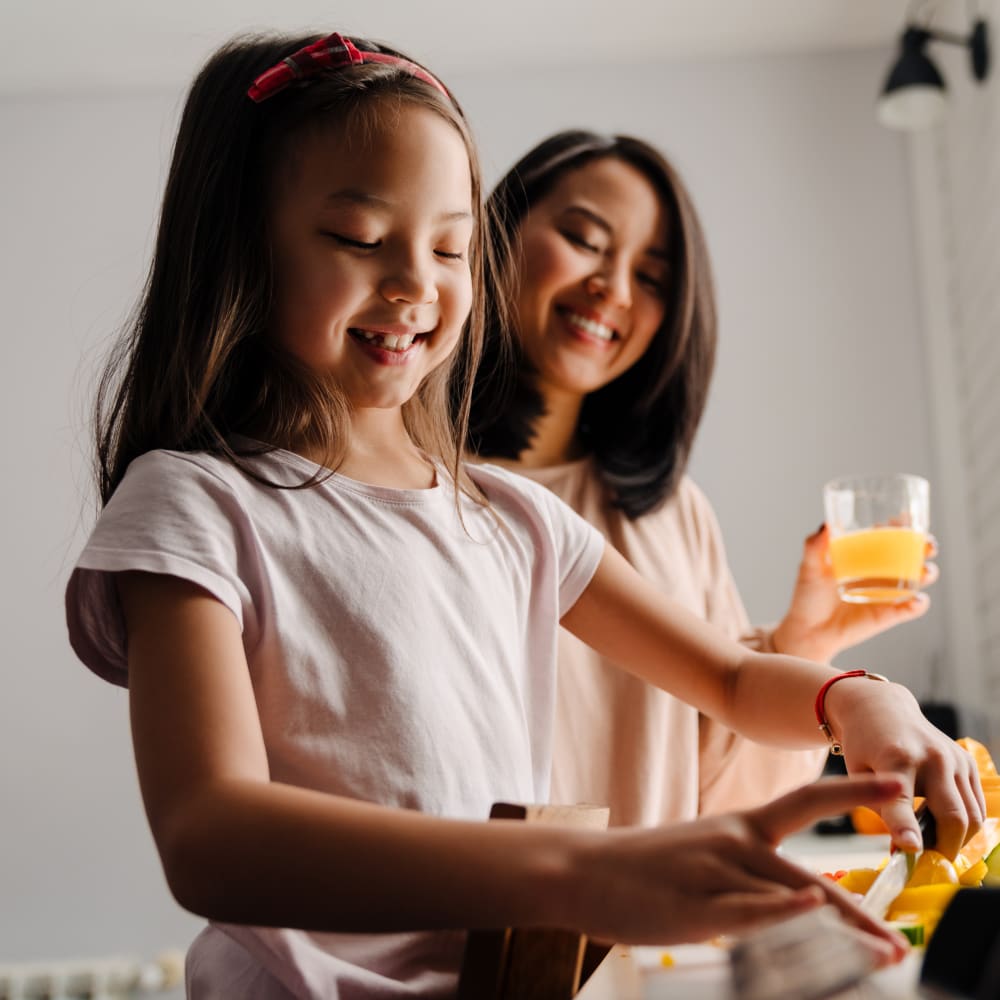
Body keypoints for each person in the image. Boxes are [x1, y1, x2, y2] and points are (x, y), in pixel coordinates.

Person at [64, 33, 979, 1000]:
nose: (419, 283)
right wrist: (581, 874)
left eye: (451, 247)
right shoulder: (193, 504)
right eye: (362, 240)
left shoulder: (511, 518)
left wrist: (858, 698)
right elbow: (211, 840)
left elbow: (730, 675)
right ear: (242, 245)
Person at [467, 130, 942, 827]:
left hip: (640, 930)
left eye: (651, 277)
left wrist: (803, 644)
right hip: (460, 925)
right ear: (494, 234)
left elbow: (724, 800)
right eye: (586, 240)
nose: (613, 289)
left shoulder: (669, 513)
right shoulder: (408, 482)